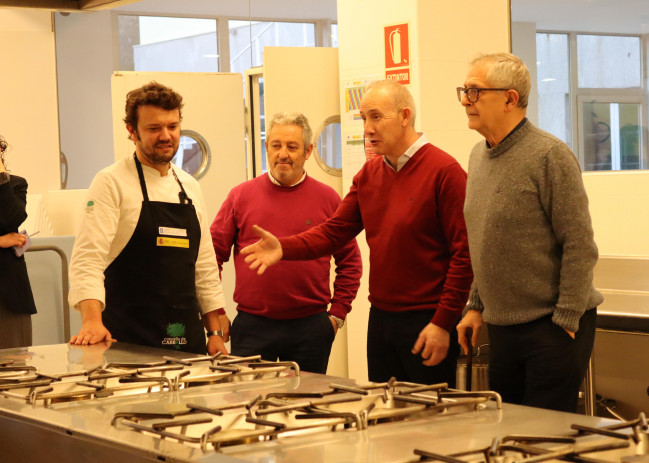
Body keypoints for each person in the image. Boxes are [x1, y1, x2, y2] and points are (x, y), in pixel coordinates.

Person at [241, 80, 472, 386]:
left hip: (427, 321)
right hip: (381, 319)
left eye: (376, 117)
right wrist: (284, 248)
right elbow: (333, 232)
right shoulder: (370, 174)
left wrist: (443, 322)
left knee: (433, 423)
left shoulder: (445, 171)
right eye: (363, 118)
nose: (367, 128)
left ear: (405, 116)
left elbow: (465, 255)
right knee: (385, 418)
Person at [456, 53, 604, 413]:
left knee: (544, 438)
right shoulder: (478, 156)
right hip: (503, 326)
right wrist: (476, 306)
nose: (465, 101)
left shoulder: (549, 155)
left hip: (550, 326)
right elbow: (485, 241)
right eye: (464, 91)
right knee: (510, 429)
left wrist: (566, 320)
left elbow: (580, 245)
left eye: (475, 92)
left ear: (509, 98)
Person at [68, 81, 227, 355]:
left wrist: (214, 332)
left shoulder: (190, 187)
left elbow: (204, 267)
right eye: (154, 128)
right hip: (127, 338)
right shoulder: (111, 182)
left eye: (172, 127)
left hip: (185, 337)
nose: (166, 135)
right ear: (132, 131)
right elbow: (88, 259)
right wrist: (92, 321)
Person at [210, 112, 362, 373]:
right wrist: (216, 313)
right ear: (267, 146)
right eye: (276, 145)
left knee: (305, 408)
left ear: (308, 151)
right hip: (252, 327)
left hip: (311, 328)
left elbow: (350, 262)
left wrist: (337, 315)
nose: (283, 154)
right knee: (248, 406)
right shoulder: (240, 196)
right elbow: (211, 257)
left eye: (292, 147)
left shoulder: (328, 198)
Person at [0, 135, 37, 348]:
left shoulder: (15, 184)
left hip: (9, 289)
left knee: (15, 366)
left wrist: (1, 178)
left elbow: (11, 218)